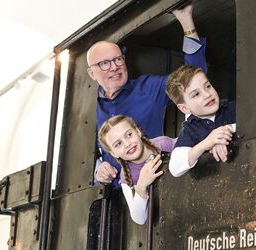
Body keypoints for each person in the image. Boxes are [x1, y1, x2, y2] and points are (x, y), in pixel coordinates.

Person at [87, 3, 207, 187]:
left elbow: (192, 78)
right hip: (112, 199)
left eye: (118, 59)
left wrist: (186, 21)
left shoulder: (149, 87)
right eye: (104, 63)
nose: (114, 67)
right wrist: (98, 168)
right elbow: (90, 154)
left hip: (154, 189)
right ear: (92, 74)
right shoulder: (89, 110)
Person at [98, 115, 176, 224]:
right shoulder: (126, 176)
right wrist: (141, 185)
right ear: (114, 153)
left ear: (138, 132)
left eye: (129, 135)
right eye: (118, 144)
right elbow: (139, 219)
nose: (127, 144)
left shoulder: (163, 144)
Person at [166, 65, 236, 177]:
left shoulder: (233, 108)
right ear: (184, 108)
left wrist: (222, 134)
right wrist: (207, 143)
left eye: (207, 86)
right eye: (196, 94)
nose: (207, 95)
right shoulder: (190, 130)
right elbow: (175, 168)